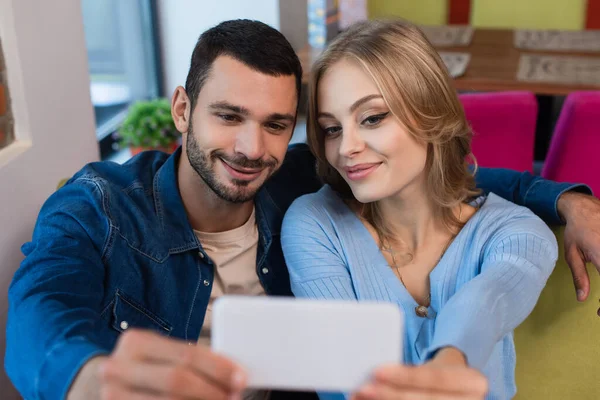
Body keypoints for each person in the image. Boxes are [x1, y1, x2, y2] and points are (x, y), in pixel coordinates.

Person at [4, 18, 600, 400]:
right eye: (228, 115)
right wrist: (83, 376)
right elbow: (42, 302)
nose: (248, 148)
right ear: (183, 110)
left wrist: (561, 196)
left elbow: (437, 181)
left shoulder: (294, 179)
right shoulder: (102, 204)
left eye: (276, 125)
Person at [279, 19, 573, 400]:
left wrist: (450, 361)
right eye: (331, 128)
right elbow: (345, 375)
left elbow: (489, 298)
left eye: (372, 118)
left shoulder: (515, 231)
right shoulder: (315, 224)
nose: (346, 147)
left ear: (428, 111)